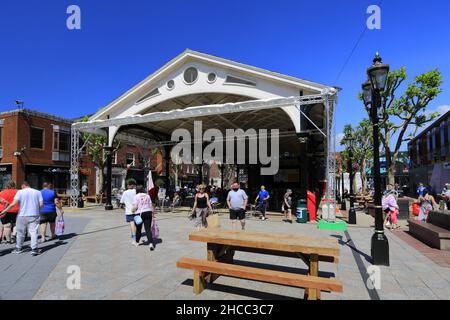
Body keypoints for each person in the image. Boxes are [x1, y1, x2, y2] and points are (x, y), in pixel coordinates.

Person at [0, 181, 43, 256]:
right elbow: (41, 204)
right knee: (33, 232)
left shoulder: (20, 192)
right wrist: (36, 210)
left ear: (23, 185)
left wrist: (4, 211)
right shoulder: (37, 192)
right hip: (34, 215)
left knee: (20, 232)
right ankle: (34, 249)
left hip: (22, 215)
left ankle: (18, 248)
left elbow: (13, 204)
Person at [132, 185, 155, 251]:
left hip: (140, 213)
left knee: (139, 228)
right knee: (148, 229)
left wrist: (132, 210)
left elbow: (135, 207)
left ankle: (136, 242)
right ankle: (150, 243)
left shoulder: (136, 196)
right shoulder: (147, 196)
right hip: (148, 212)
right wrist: (153, 213)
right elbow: (151, 205)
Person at [120, 179, 137, 245]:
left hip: (129, 211)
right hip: (136, 210)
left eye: (128, 184)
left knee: (132, 224)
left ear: (131, 185)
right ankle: (134, 234)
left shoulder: (125, 192)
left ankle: (134, 238)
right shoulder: (136, 191)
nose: (127, 185)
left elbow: (121, 201)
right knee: (135, 224)